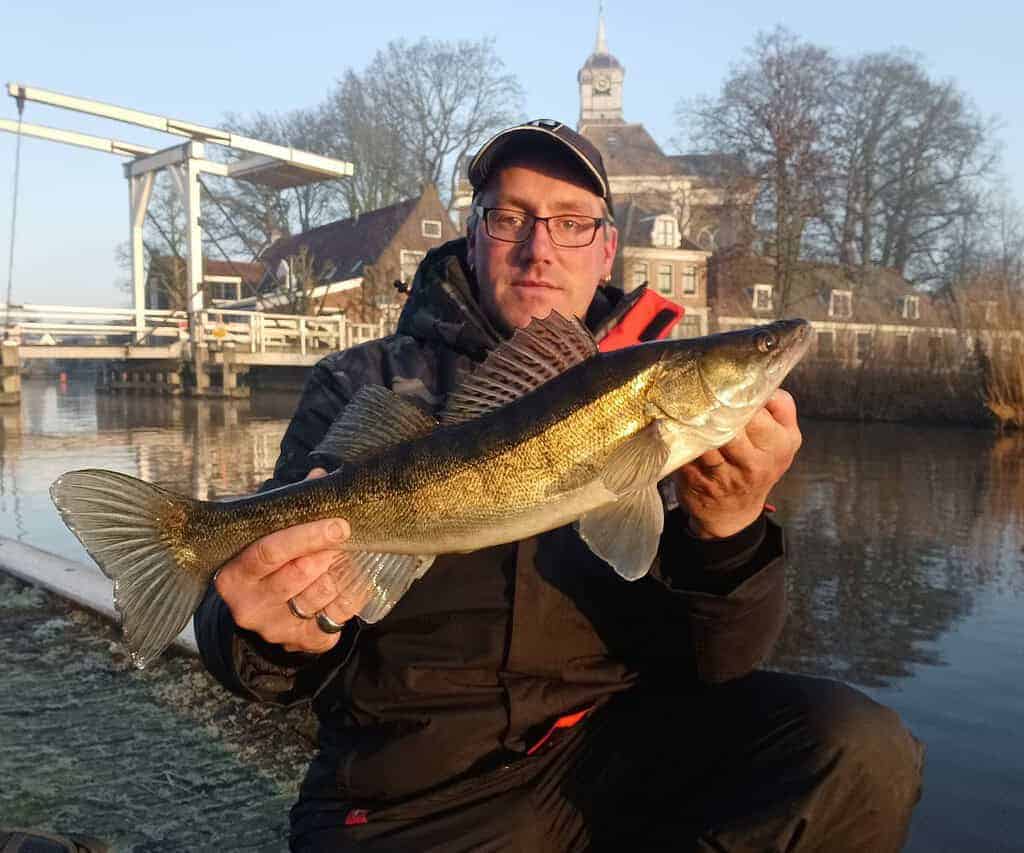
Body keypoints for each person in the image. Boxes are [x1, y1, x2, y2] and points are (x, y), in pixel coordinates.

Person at [195, 119, 924, 852]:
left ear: (607, 246)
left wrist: (731, 533)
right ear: (473, 235)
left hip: (612, 763)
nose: (538, 246)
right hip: (408, 796)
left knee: (858, 750)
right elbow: (252, 660)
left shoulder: (673, 419)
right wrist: (274, 631)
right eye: (509, 216)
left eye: (571, 222)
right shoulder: (362, 387)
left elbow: (720, 663)